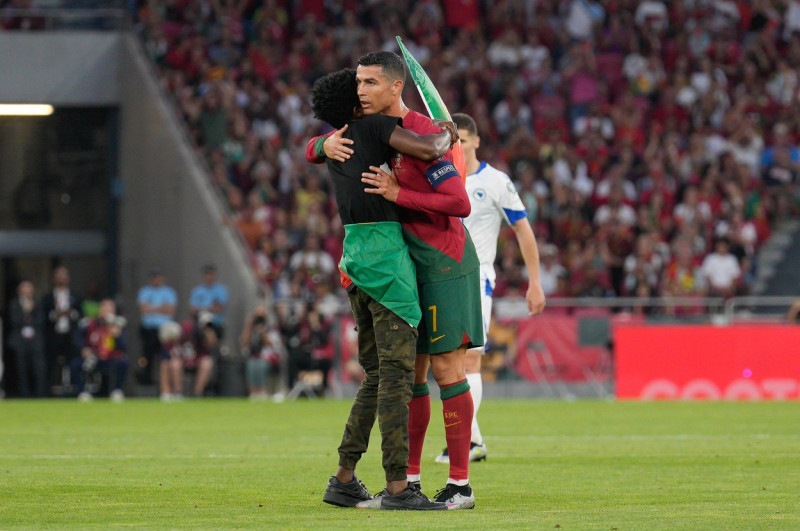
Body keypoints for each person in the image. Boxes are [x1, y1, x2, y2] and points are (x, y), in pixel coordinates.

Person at [310, 51, 483, 509]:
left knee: (447, 370)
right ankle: (406, 482)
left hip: (443, 261)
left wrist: (397, 192)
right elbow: (315, 145)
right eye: (357, 83)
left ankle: (461, 485)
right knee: (410, 376)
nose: (360, 90)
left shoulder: (424, 133)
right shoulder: (364, 135)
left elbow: (458, 203)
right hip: (403, 265)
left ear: (393, 87)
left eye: (368, 83)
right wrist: (319, 145)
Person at [433, 113, 547, 466]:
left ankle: (464, 442)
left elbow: (523, 230)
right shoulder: (439, 177)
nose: (460, 145)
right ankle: (474, 440)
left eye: (465, 139)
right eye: (455, 140)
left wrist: (535, 283)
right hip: (439, 278)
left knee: (470, 358)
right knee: (445, 363)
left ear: (477, 141)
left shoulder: (495, 181)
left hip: (476, 278)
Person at [72, 299, 128, 402]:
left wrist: (117, 335)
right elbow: (77, 339)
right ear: (100, 310)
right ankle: (83, 392)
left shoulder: (118, 326)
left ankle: (116, 391)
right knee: (76, 364)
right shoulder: (89, 324)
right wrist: (84, 349)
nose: (107, 312)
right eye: (105, 308)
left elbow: (124, 347)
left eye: (110, 310)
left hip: (110, 358)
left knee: (123, 363)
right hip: (94, 356)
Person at [40, 266, 82, 396]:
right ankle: (47, 392)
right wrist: (55, 315)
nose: (61, 278)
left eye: (63, 275)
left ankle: (76, 390)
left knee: (73, 363)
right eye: (58, 276)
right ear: (54, 279)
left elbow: (80, 314)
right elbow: (43, 315)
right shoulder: (48, 297)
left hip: (70, 335)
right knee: (51, 364)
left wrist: (70, 314)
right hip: (54, 335)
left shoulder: (75, 296)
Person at [137, 267, 178, 385]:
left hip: (164, 330)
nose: (156, 280)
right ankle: (146, 380)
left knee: (165, 357)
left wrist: (152, 308)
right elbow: (143, 309)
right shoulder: (145, 291)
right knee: (146, 357)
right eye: (153, 277)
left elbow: (170, 310)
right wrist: (161, 307)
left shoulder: (169, 292)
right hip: (148, 329)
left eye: (158, 277)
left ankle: (165, 385)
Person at [7, 280, 47, 398]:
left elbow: (41, 321)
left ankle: (40, 395)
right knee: (21, 372)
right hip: (19, 343)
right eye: (24, 289)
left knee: (38, 370)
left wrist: (30, 312)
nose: (26, 291)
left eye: (28, 289)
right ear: (19, 291)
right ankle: (23, 395)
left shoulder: (38, 304)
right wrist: (26, 312)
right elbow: (13, 321)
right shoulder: (13, 304)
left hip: (35, 343)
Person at [240, 305, 282, 401]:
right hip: (254, 357)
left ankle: (263, 392)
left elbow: (273, 345)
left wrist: (262, 332)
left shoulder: (271, 329)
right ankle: (253, 393)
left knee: (261, 365)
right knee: (251, 364)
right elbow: (244, 344)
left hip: (268, 357)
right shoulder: (251, 329)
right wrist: (248, 326)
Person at [188, 264, 229, 341]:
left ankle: (214, 348)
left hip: (215, 322)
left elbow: (218, 308)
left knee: (207, 327)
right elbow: (192, 311)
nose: (208, 277)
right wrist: (207, 308)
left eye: (210, 274)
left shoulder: (221, 290)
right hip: (199, 321)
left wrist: (201, 309)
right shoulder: (197, 290)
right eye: (206, 274)